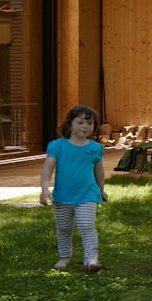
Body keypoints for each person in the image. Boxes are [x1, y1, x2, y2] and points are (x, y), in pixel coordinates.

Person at [39, 104, 107, 273]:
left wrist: (101, 190)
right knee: (63, 229)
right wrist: (45, 188)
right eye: (80, 122)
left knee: (86, 225)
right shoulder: (57, 146)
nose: (85, 126)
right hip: (62, 197)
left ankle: (91, 259)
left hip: (87, 195)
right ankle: (64, 257)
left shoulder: (95, 148)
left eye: (90, 123)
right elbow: (48, 168)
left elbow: (99, 171)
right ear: (69, 124)